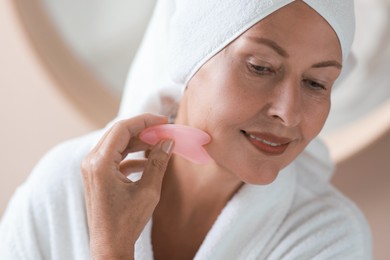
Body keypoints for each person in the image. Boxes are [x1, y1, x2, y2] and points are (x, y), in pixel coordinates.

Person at [0, 0, 372, 259]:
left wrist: (111, 250)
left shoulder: (327, 239)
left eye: (317, 83)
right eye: (260, 67)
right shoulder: (64, 188)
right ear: (191, 59)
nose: (289, 113)